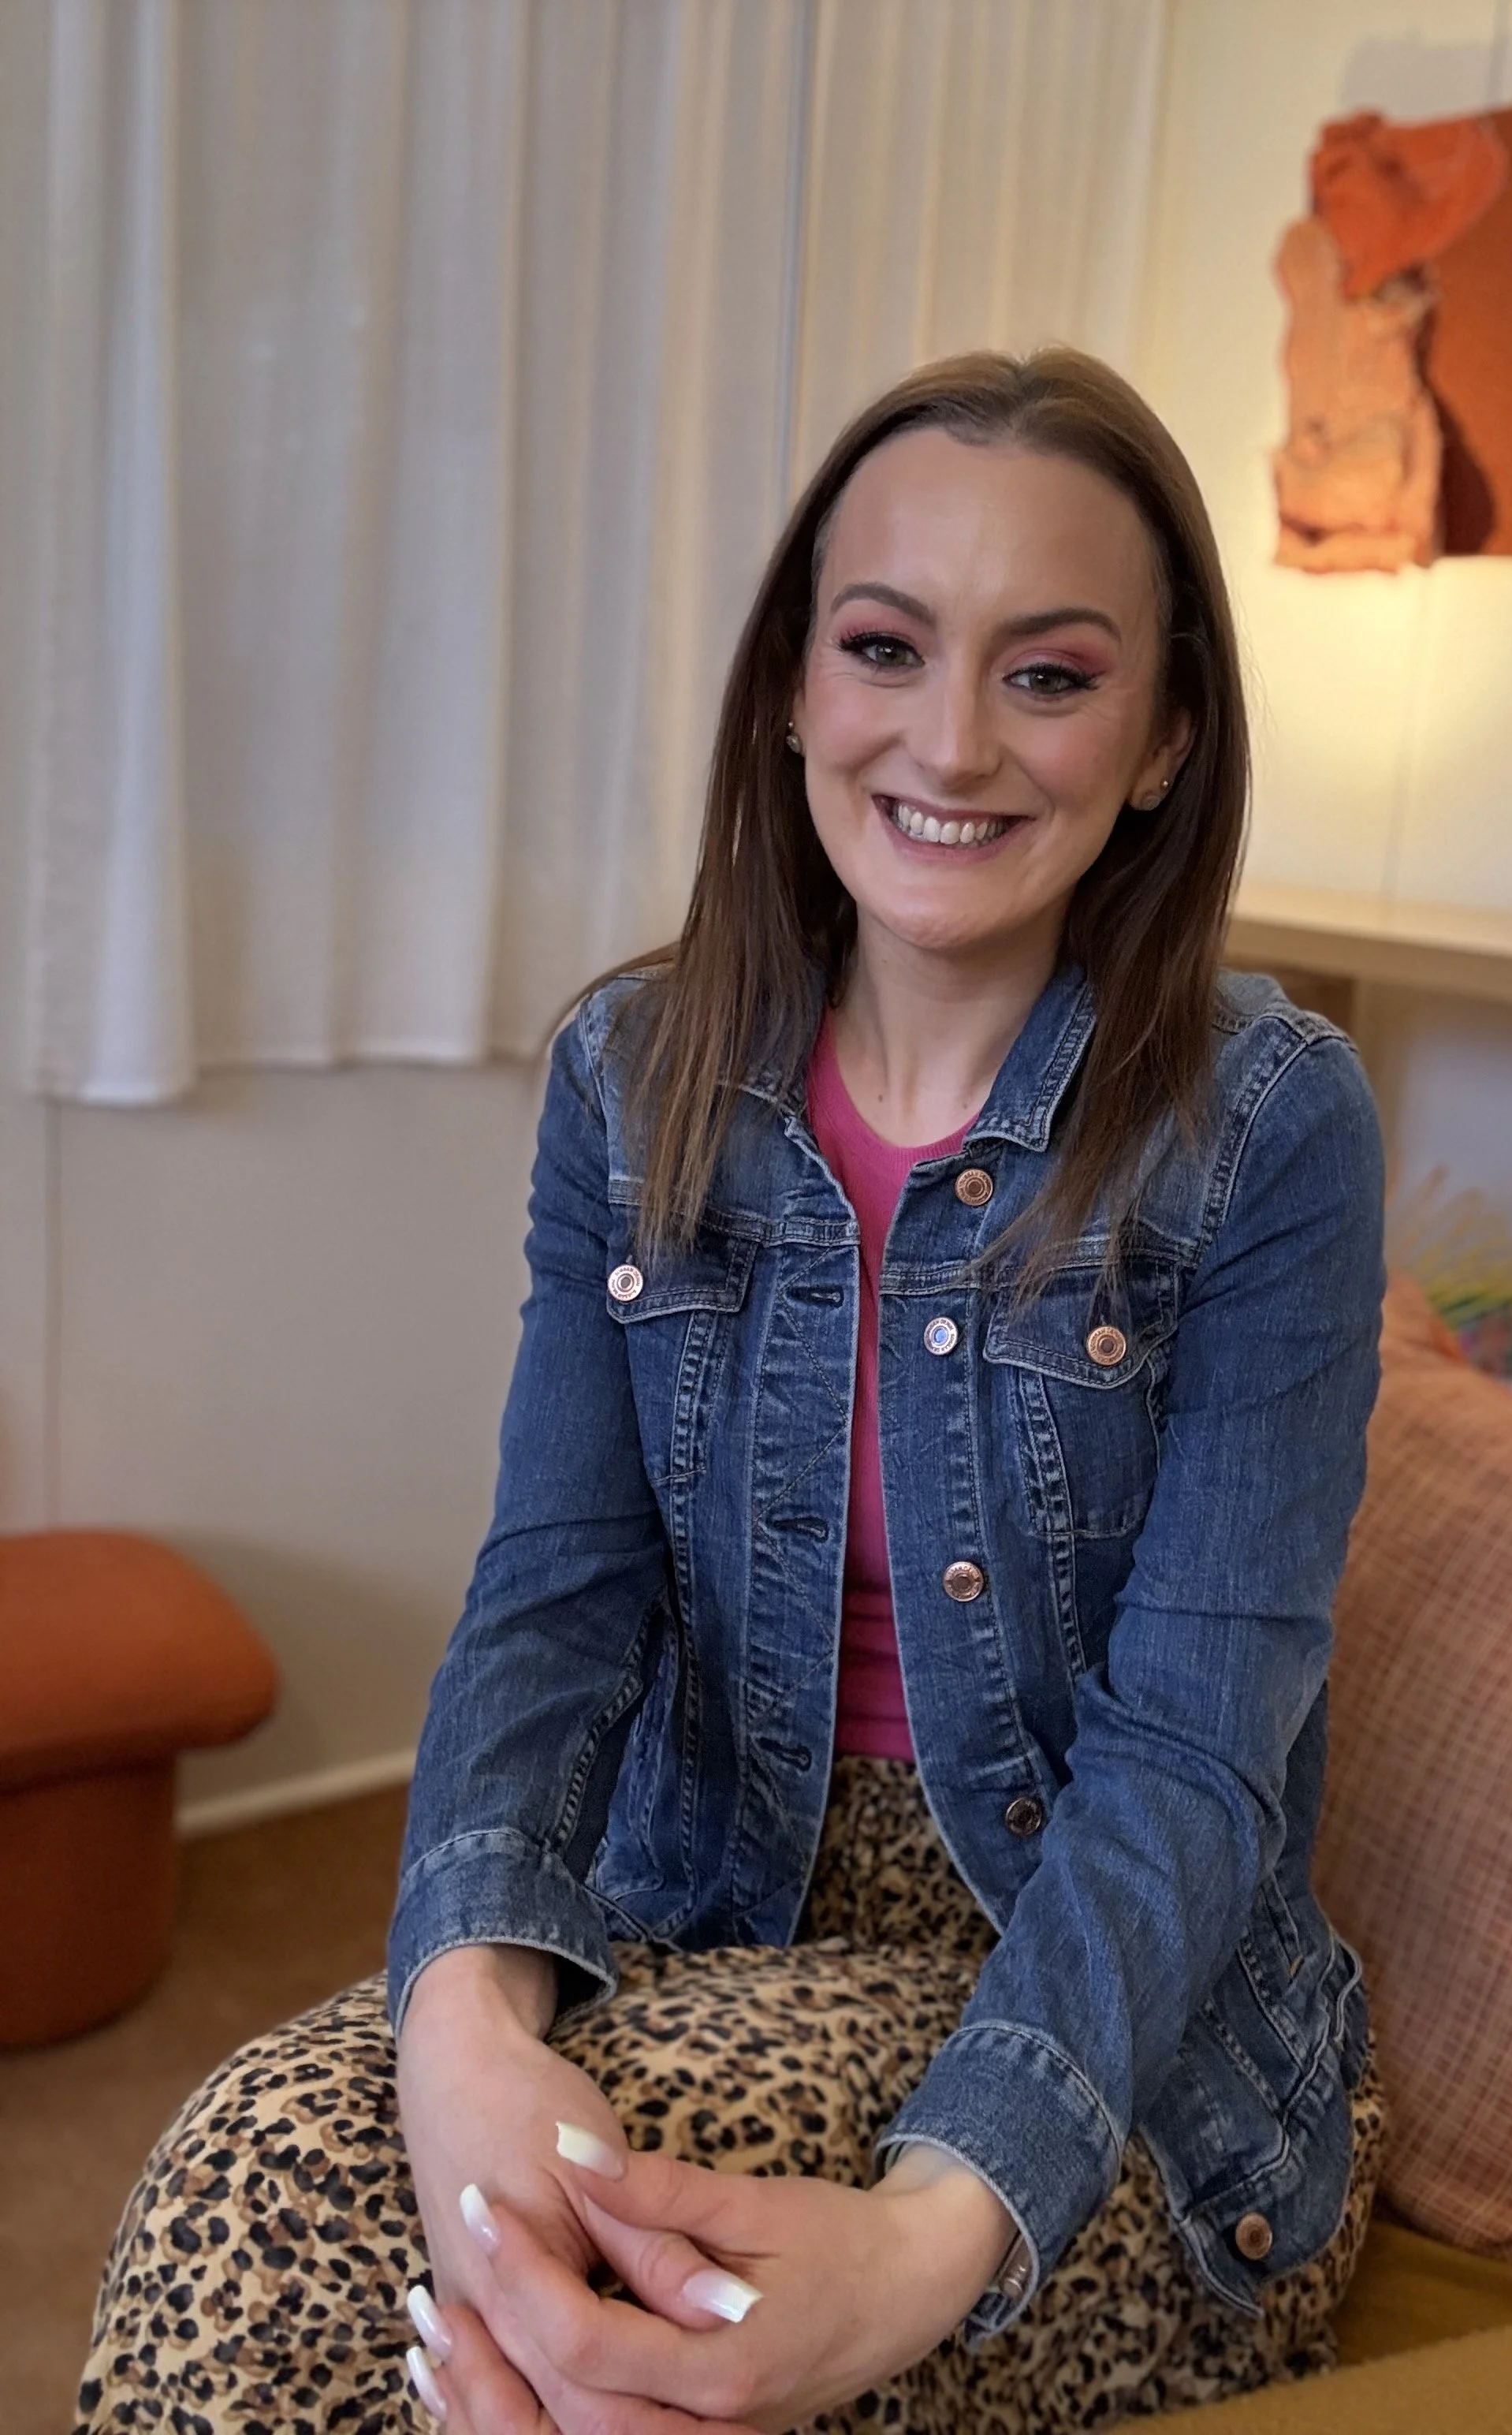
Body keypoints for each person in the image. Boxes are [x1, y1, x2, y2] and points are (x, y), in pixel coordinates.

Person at [76, 349, 1388, 2435]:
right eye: (886, 647)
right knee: (265, 2179)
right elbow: (552, 1597)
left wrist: (923, 2245)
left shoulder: (1265, 1124)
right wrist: (459, 2018)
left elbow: (1194, 1761)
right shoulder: (636, 1072)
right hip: (710, 1914)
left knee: (554, 2326)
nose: (948, 740)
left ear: (1160, 742)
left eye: (1048, 676)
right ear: (792, 679)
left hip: (1109, 2028)